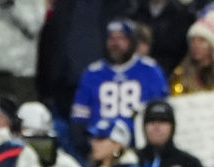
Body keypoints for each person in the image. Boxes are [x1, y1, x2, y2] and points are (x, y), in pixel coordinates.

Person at [70, 19, 169, 156]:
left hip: (139, 147)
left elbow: (162, 113)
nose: (115, 43)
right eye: (111, 38)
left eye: (121, 38)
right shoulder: (92, 73)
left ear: (132, 42)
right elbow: (79, 119)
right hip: (100, 146)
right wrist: (87, 147)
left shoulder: (150, 71)